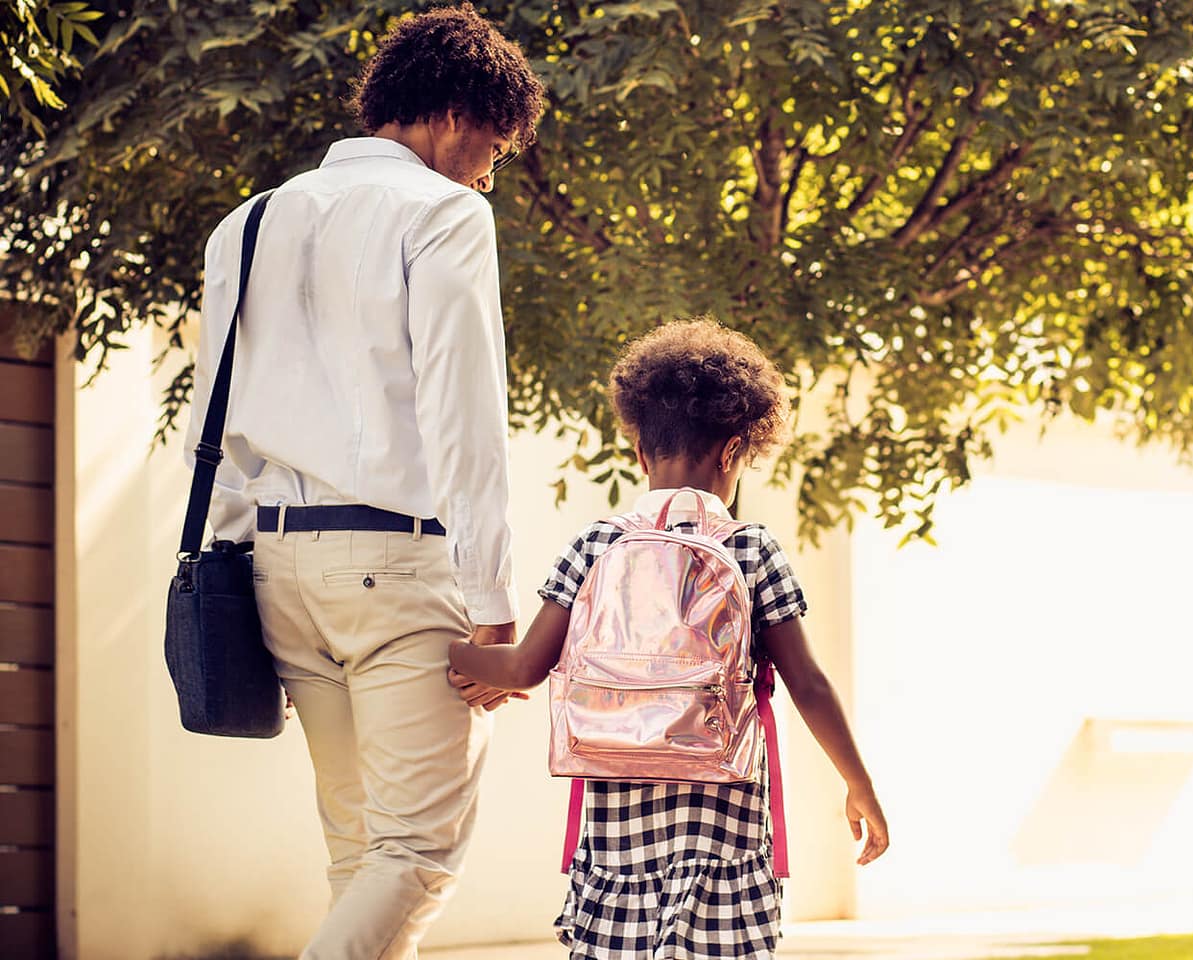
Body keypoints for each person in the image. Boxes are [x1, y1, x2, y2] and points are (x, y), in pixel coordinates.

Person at [181, 5, 544, 957]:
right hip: (394, 565)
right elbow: (465, 415)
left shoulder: (246, 224)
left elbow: (211, 424)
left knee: (360, 854)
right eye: (495, 148)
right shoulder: (446, 213)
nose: (487, 170)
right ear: (456, 114)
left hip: (275, 567)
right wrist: (491, 596)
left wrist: (229, 557)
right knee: (419, 853)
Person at [448, 319, 889, 958]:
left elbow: (520, 668)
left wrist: (436, 646)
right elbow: (809, 684)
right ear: (735, 450)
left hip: (618, 832)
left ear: (639, 453)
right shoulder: (749, 548)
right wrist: (860, 786)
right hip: (725, 825)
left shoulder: (596, 543)